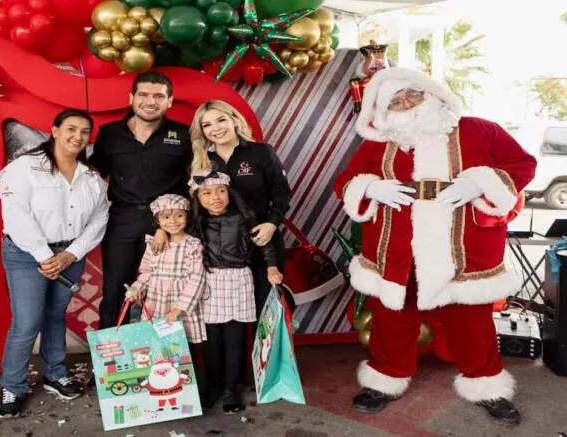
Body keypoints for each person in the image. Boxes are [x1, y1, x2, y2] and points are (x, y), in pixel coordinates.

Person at [333, 67, 537, 426]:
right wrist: (370, 187)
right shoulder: (378, 143)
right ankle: (385, 378)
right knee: (393, 316)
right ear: (383, 113)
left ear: (432, 94)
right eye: (395, 102)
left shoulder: (478, 128)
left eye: (413, 94)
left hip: (462, 247)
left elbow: (522, 163)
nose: (407, 104)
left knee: (471, 321)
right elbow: (344, 183)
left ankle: (487, 385)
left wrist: (479, 183)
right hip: (397, 246)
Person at [0, 109, 109, 418]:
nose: (78, 136)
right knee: (27, 322)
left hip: (69, 254)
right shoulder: (25, 167)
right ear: (55, 130)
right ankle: (12, 385)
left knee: (56, 315)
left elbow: (99, 219)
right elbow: (16, 215)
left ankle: (55, 373)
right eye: (71, 128)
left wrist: (69, 255)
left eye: (85, 132)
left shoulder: (91, 176)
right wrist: (46, 258)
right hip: (26, 254)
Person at [91, 71, 192, 329]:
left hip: (170, 225)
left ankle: (165, 364)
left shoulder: (184, 135)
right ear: (131, 98)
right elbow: (91, 176)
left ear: (170, 101)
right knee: (115, 291)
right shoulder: (110, 134)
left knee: (167, 292)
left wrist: (169, 225)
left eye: (159, 96)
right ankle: (108, 365)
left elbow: (200, 181)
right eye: (144, 94)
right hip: (122, 221)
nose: (151, 101)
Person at [189, 169, 283, 413]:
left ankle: (231, 388)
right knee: (211, 341)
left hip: (239, 278)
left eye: (221, 191)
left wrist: (272, 267)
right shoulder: (194, 223)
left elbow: (265, 244)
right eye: (207, 193)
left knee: (235, 339)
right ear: (197, 198)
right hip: (208, 281)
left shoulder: (244, 218)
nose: (215, 197)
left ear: (230, 193)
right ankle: (212, 386)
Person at [190, 100, 291, 315]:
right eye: (207, 125)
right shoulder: (201, 161)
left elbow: (282, 194)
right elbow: (196, 206)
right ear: (202, 131)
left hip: (262, 239)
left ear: (234, 120)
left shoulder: (261, 152)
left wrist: (271, 225)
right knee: (226, 314)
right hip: (220, 248)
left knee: (267, 306)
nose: (216, 128)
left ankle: (270, 350)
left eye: (221, 120)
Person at [127, 194, 206, 347]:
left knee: (183, 347)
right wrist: (136, 289)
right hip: (156, 301)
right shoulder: (154, 243)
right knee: (157, 345)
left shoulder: (193, 244)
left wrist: (179, 309)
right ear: (157, 221)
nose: (173, 221)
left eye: (179, 216)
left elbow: (197, 279)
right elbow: (147, 273)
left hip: (180, 302)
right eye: (166, 217)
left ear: (187, 217)